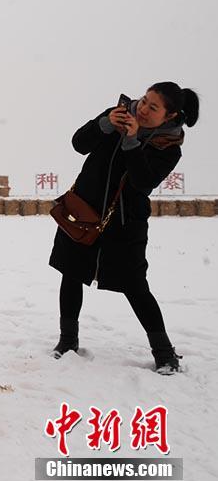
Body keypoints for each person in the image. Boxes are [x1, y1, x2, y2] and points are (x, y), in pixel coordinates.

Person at [48, 82, 200, 374]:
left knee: (135, 286)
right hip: (83, 210)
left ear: (169, 116)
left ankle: (165, 354)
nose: (142, 109)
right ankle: (67, 342)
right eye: (144, 100)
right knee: (71, 272)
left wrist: (132, 142)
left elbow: (143, 183)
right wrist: (104, 125)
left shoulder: (168, 146)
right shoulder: (116, 114)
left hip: (124, 224)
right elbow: (79, 143)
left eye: (152, 108)